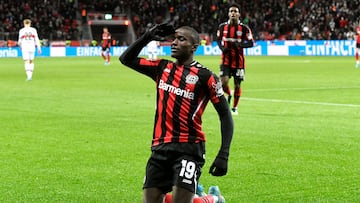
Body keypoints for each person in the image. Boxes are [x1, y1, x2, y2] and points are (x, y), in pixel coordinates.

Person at [119, 23, 234, 203]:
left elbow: (225, 115)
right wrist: (147, 36)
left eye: (181, 39)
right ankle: (208, 198)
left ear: (193, 47)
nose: (174, 42)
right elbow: (126, 59)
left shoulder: (206, 77)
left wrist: (223, 154)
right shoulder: (162, 68)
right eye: (173, 38)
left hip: (189, 148)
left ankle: (212, 199)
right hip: (160, 148)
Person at [216, 3, 254, 115]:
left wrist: (241, 45)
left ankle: (234, 108)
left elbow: (251, 43)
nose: (233, 13)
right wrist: (222, 48)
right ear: (228, 14)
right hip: (225, 60)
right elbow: (218, 39)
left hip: (239, 62)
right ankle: (229, 94)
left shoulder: (244, 28)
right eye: (231, 11)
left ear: (239, 14)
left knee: (237, 85)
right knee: (223, 83)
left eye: (235, 11)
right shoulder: (222, 27)